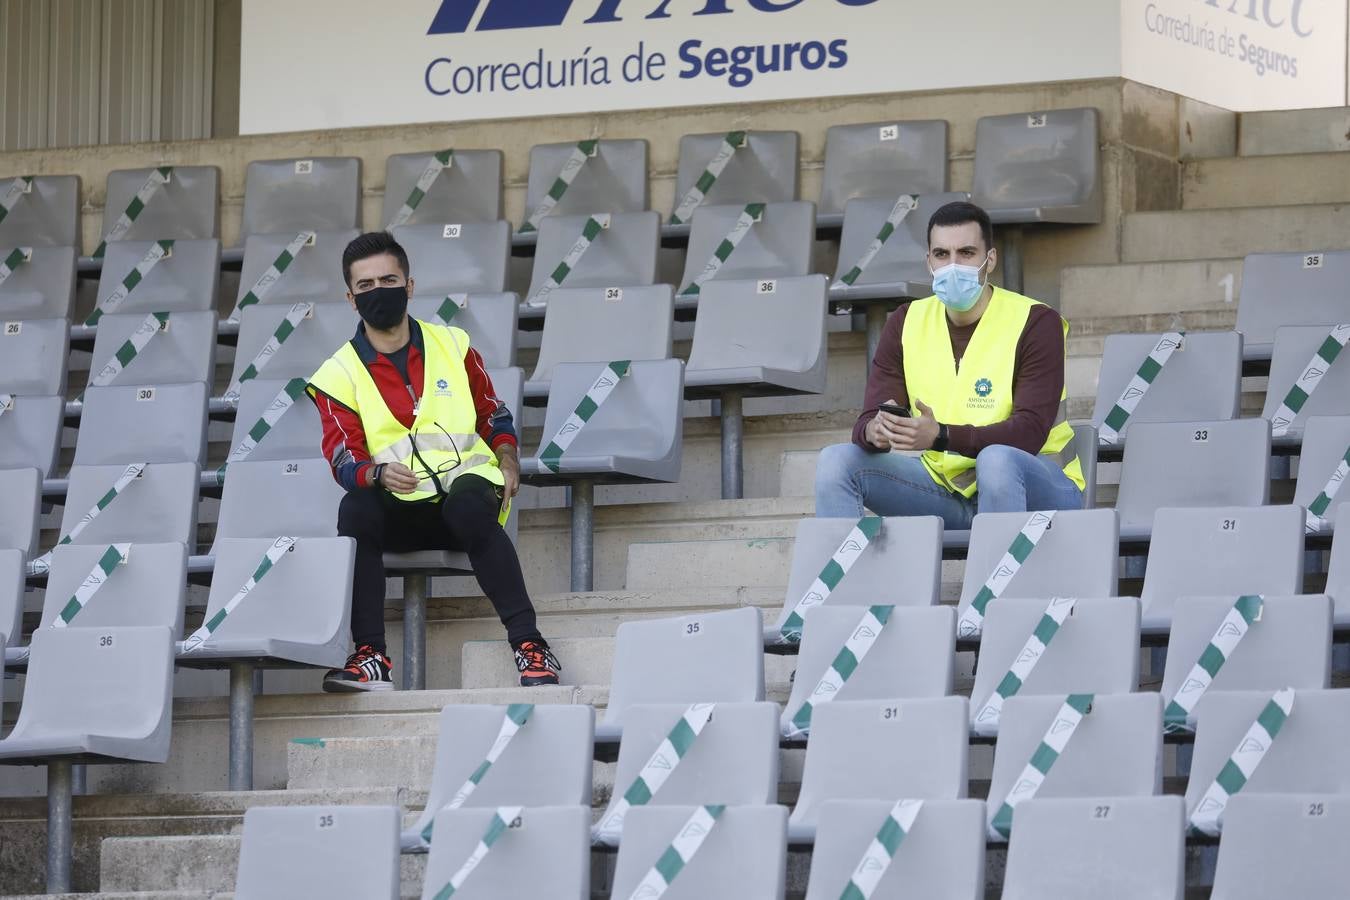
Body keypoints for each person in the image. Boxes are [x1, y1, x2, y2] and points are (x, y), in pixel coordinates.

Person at [307, 231, 561, 691]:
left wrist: (507, 457)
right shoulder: (336, 373)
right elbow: (344, 457)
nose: (378, 291)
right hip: (399, 510)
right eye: (365, 285)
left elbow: (493, 412)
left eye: (388, 279)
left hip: (466, 501)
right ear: (350, 298)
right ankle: (370, 657)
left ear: (409, 286)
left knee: (465, 504)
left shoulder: (453, 344)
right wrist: (376, 473)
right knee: (355, 508)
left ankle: (530, 645)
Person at [815, 201, 1083, 528]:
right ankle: (844, 578)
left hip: (1040, 488)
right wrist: (877, 430)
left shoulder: (1037, 321)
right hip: (947, 492)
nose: (953, 265)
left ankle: (998, 579)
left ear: (990, 260)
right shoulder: (905, 321)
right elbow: (868, 418)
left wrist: (940, 435)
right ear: (929, 262)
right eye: (942, 255)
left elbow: (1029, 433)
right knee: (835, 462)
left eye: (966, 253)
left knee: (997, 461)